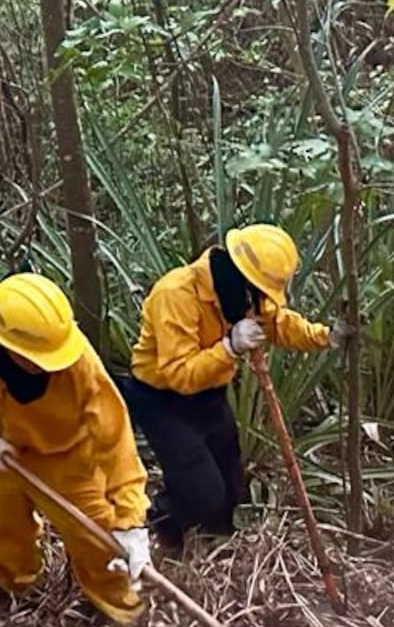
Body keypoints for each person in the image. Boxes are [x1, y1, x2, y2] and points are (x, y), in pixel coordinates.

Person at [0, 273, 151, 625]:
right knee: (4, 527)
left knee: (99, 542)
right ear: (2, 343)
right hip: (1, 450)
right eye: (35, 358)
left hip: (67, 456)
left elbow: (116, 441)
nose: (45, 365)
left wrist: (130, 521)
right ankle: (16, 589)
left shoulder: (80, 365)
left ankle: (122, 613)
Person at [121, 224, 331, 549]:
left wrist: (326, 337)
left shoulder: (242, 293)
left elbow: (279, 323)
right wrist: (230, 347)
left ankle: (216, 548)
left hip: (209, 394)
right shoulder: (175, 294)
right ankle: (160, 530)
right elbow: (179, 373)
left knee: (231, 487)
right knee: (201, 491)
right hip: (163, 401)